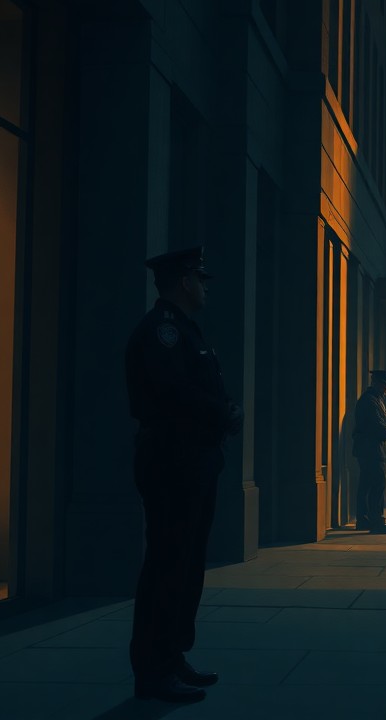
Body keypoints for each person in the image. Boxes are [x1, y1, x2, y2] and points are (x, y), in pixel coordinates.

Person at [125, 246, 242, 703]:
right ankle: (154, 671)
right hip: (173, 459)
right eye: (200, 278)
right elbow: (173, 393)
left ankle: (172, 656)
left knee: (187, 565)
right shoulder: (164, 331)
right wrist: (223, 412)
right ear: (184, 281)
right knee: (168, 564)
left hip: (193, 458)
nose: (205, 286)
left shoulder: (186, 329)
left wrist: (224, 411)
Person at [352, 370, 386, 534]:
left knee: (366, 485)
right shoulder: (370, 401)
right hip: (371, 449)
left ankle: (363, 519)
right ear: (377, 384)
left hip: (367, 449)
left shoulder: (372, 399)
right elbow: (378, 424)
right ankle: (376, 522)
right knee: (378, 484)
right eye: (385, 386)